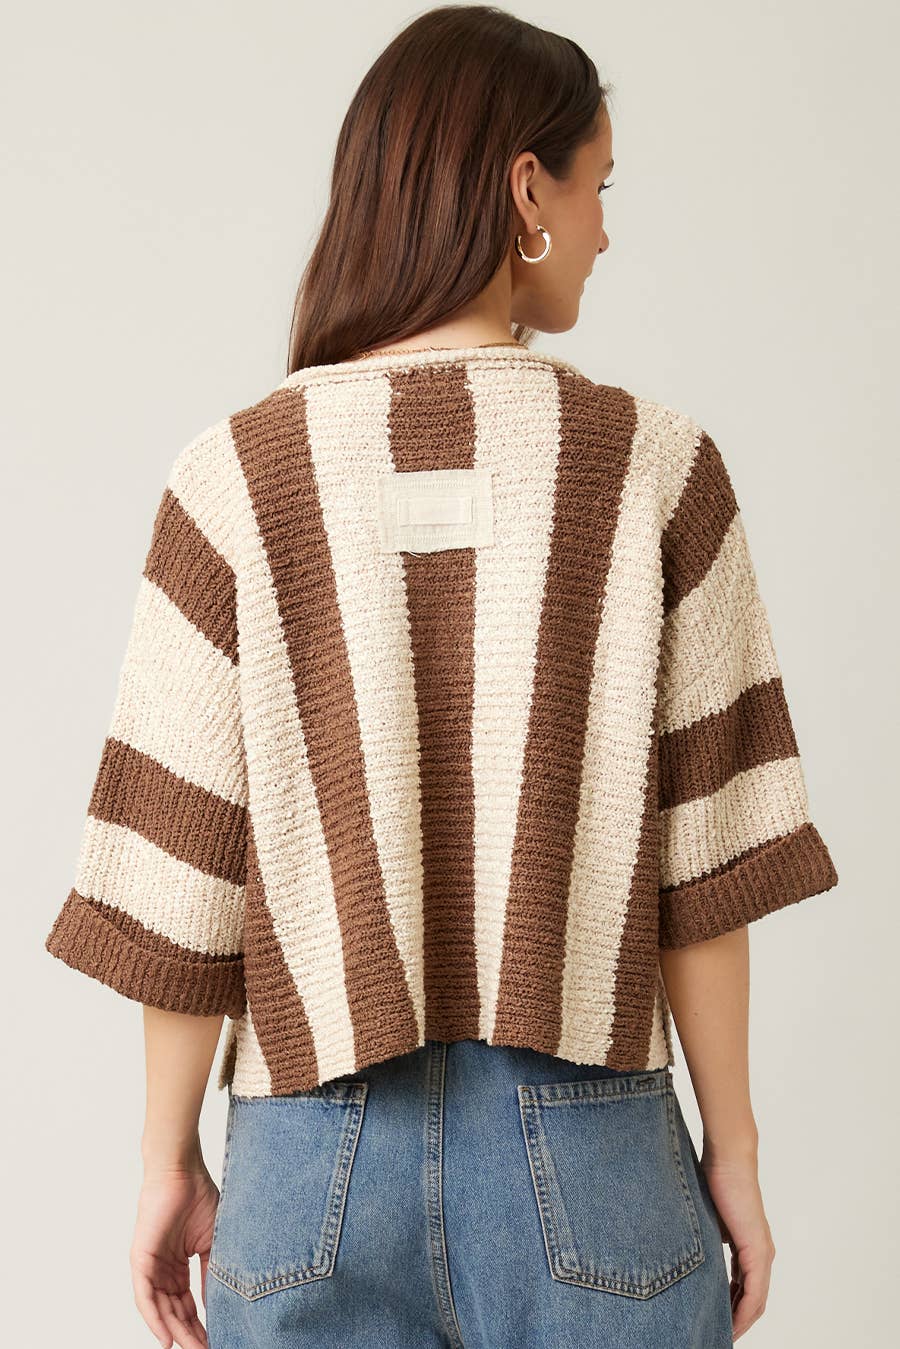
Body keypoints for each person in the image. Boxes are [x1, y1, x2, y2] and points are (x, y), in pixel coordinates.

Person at [43, 6, 839, 1348]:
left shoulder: (233, 480)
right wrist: (738, 1153)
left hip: (305, 1158)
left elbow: (183, 884)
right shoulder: (654, 469)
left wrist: (164, 1161)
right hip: (598, 1151)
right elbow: (707, 869)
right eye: (598, 185)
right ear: (529, 189)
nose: (605, 229)